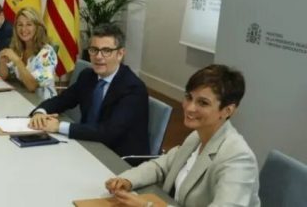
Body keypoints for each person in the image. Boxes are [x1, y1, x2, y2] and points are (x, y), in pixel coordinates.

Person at [104, 64, 260, 207]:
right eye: (189, 97)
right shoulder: (196, 136)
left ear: (227, 111)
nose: (190, 108)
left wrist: (147, 206)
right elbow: (161, 166)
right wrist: (127, 180)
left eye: (203, 103)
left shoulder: (238, 158)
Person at [28, 24, 149, 164]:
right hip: (87, 146)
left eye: (106, 51)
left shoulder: (133, 88)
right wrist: (40, 112)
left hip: (119, 159)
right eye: (94, 50)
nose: (98, 57)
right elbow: (63, 100)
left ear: (120, 54)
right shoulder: (88, 76)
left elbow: (108, 132)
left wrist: (58, 126)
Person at [0, 7, 58, 99]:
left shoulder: (47, 52)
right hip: (23, 97)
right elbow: (5, 76)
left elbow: (32, 86)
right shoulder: (19, 48)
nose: (23, 29)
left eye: (29, 24)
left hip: (43, 102)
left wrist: (17, 61)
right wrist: (2, 61)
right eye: (20, 25)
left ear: (38, 27)